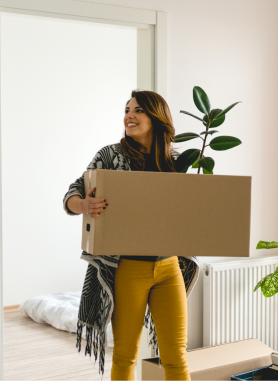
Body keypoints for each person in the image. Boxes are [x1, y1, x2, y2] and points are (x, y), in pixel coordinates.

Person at [62, 90, 200, 381]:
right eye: (127, 110)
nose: (129, 115)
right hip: (128, 269)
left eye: (138, 110)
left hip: (169, 266)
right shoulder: (110, 155)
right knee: (126, 356)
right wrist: (85, 204)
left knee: (176, 356)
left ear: (157, 116)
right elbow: (73, 192)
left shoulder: (176, 161)